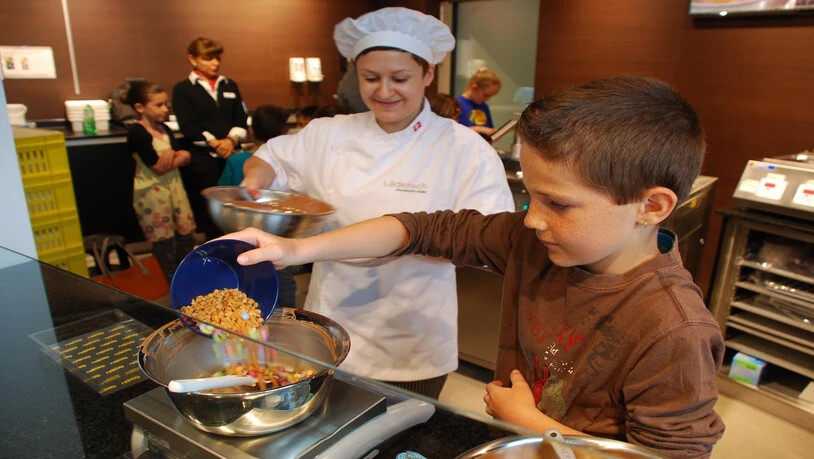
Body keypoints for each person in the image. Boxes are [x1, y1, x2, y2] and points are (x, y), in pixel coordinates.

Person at [228, 75, 726, 457]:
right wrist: (295, 251)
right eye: (531, 196)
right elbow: (422, 228)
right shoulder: (532, 244)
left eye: (558, 203)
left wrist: (535, 426)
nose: (531, 219)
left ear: (652, 207)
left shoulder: (673, 330)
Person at [240, 7, 514, 398]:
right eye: (371, 78)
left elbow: (489, 238)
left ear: (428, 74)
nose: (384, 92)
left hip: (412, 333)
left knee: (407, 431)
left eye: (399, 78)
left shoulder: (463, 148)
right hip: (332, 321)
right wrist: (254, 179)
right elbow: (271, 157)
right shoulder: (328, 133)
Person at [216, 105, 298, 308]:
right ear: (284, 131)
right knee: (282, 282)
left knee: (245, 282)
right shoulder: (291, 164)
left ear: (251, 130)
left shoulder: (236, 161)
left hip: (241, 237)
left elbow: (222, 194)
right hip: (279, 237)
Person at [172, 37, 248, 239]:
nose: (215, 63)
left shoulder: (229, 84)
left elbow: (241, 118)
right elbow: (187, 125)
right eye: (208, 58)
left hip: (231, 157)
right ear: (192, 59)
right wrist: (214, 142)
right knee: (209, 213)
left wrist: (230, 140)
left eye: (217, 58)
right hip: (202, 160)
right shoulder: (183, 89)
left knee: (236, 209)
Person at [122, 81, 196, 284]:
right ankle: (169, 283)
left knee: (186, 237)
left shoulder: (165, 129)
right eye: (159, 105)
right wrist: (180, 155)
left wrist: (175, 153)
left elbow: (183, 155)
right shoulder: (137, 132)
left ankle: (184, 277)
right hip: (153, 193)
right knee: (164, 242)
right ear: (140, 107)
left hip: (174, 190)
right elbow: (158, 166)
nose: (165, 109)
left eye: (166, 104)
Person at [456, 68, 501, 137]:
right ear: (473, 88)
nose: (488, 99)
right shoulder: (456, 103)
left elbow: (489, 130)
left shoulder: (484, 106)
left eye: (491, 96)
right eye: (485, 95)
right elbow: (452, 131)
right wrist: (479, 129)